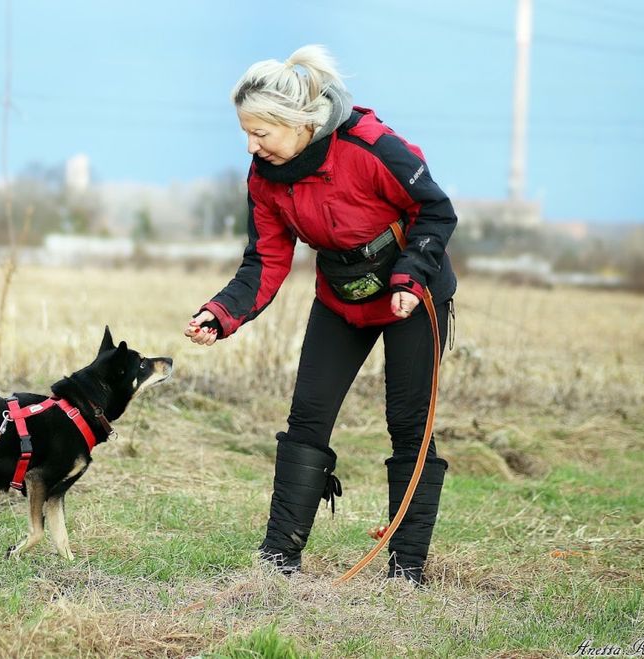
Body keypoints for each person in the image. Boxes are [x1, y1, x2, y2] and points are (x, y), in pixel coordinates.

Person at [184, 45, 456, 585]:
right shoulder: (264, 176)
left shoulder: (372, 147)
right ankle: (278, 561)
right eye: (245, 132)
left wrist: (411, 275)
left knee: (408, 425)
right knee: (307, 418)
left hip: (412, 296)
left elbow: (435, 209)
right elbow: (264, 260)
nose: (250, 145)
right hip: (340, 299)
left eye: (261, 133)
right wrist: (220, 313)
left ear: (299, 122)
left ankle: (407, 569)